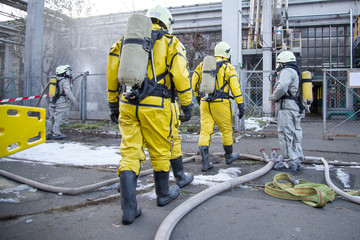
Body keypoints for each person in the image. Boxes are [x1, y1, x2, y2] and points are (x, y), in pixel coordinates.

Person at [106, 5, 193, 225]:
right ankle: (163, 195)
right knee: (160, 150)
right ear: (166, 22)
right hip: (156, 105)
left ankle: (129, 209)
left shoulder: (125, 41)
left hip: (128, 103)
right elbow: (181, 75)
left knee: (129, 154)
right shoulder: (171, 42)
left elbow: (112, 70)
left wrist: (113, 104)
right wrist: (187, 104)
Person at [192, 41, 244, 172]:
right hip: (221, 103)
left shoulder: (204, 64)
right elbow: (235, 87)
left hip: (205, 102)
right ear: (227, 53)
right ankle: (229, 157)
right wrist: (240, 104)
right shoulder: (228, 67)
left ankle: (205, 162)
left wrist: (197, 95)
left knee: (205, 131)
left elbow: (194, 79)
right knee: (226, 130)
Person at [269, 50, 304, 171]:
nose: (278, 66)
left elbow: (282, 86)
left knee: (285, 133)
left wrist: (273, 97)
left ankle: (290, 161)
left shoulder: (287, 71)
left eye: (279, 63)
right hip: (295, 106)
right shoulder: (295, 71)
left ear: (283, 62)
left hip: (287, 107)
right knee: (295, 133)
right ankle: (297, 157)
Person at [46, 65, 78, 140]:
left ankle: (48, 133)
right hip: (61, 101)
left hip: (52, 100)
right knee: (58, 117)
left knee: (51, 117)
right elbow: (68, 92)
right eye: (67, 72)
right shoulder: (64, 81)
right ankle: (56, 133)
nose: (68, 73)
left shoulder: (53, 79)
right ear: (64, 73)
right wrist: (74, 101)